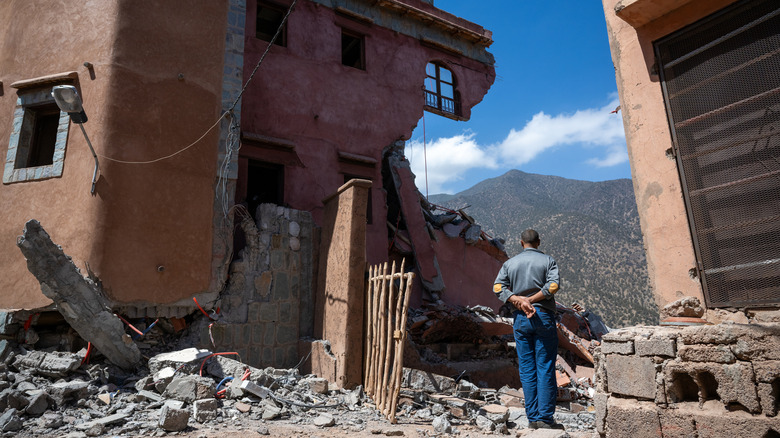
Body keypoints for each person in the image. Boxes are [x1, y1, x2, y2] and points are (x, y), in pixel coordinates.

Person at [493, 229, 563, 430]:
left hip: (521, 319)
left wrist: (518, 300)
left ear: (521, 242)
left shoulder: (510, 264)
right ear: (538, 242)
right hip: (543, 317)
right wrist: (531, 300)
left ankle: (532, 418)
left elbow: (497, 287)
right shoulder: (548, 261)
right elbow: (552, 287)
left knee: (527, 368)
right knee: (545, 366)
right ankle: (546, 418)